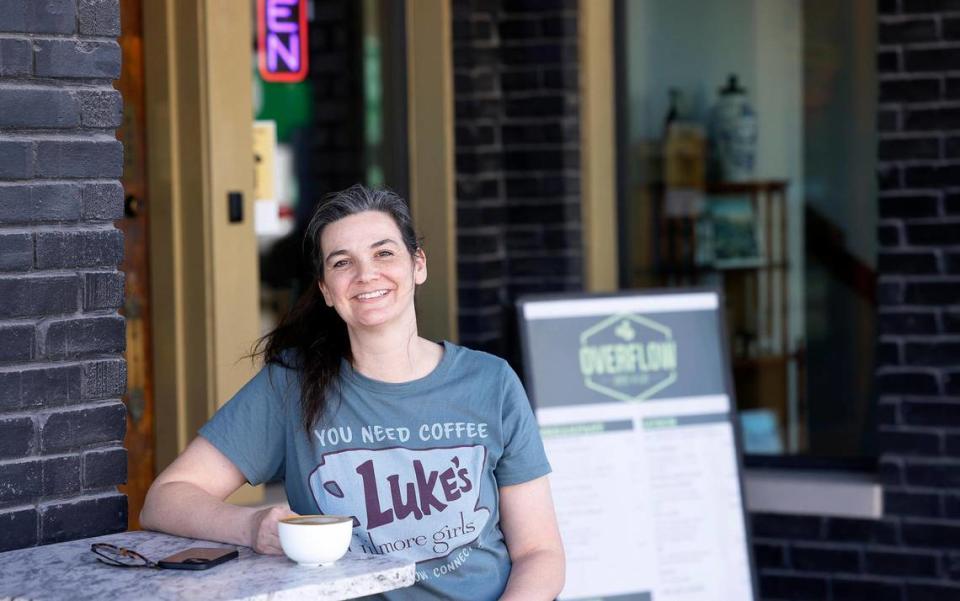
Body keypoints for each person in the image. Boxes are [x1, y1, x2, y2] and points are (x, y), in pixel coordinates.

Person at [140, 184, 565, 600]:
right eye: (342, 263)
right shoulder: (291, 385)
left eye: (384, 253)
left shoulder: (490, 382)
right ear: (326, 289)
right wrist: (251, 526)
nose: (366, 274)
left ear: (418, 265)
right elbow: (165, 499)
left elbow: (539, 551)